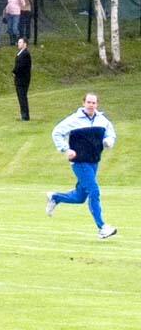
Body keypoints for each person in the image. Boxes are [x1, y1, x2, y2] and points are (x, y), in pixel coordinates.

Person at [46, 93, 117, 239]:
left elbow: (110, 134)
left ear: (97, 104)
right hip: (79, 161)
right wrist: (66, 149)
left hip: (93, 161)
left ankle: (55, 197)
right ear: (83, 103)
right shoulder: (73, 120)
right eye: (89, 102)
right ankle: (102, 227)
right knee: (94, 191)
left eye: (94, 102)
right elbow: (57, 133)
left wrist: (108, 141)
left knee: (80, 197)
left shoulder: (102, 120)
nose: (91, 105)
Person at [12, 37, 31, 121]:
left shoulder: (25, 54)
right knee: (21, 97)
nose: (18, 44)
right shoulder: (20, 53)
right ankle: (23, 114)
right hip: (20, 79)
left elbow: (20, 66)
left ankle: (25, 115)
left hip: (23, 79)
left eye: (20, 42)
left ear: (25, 44)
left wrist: (14, 71)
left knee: (22, 97)